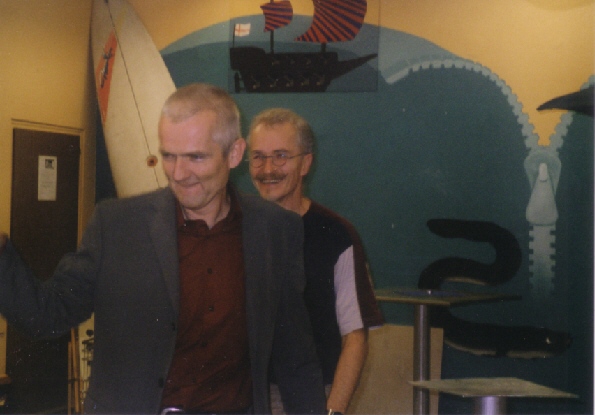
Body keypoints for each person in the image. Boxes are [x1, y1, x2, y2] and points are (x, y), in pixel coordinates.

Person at [0, 84, 326, 414]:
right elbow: (45, 314)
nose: (179, 174)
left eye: (196, 157)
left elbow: (296, 359)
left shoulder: (275, 230)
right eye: (169, 156)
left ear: (234, 153)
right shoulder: (117, 226)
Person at [247, 109, 384, 414]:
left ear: (306, 163)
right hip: (246, 397)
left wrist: (332, 411)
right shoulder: (234, 229)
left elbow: (355, 337)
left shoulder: (336, 234)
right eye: (258, 157)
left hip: (313, 397)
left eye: (281, 156)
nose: (268, 169)